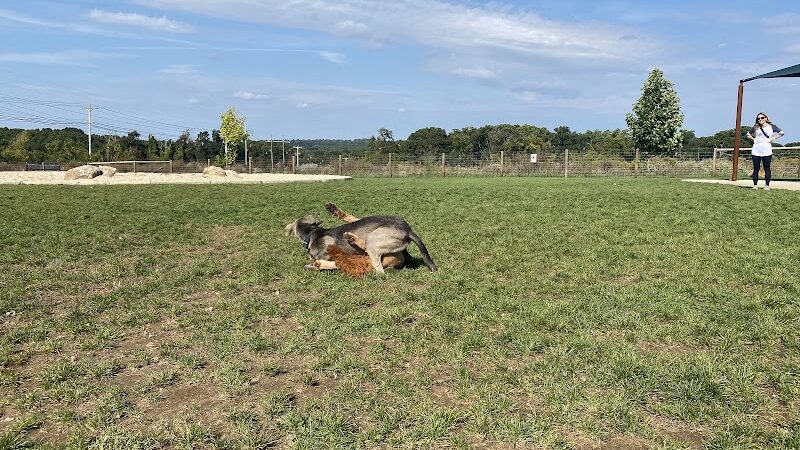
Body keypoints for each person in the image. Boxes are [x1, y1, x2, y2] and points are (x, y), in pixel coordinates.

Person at [746, 112, 784, 190]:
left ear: (766, 118)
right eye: (758, 118)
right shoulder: (756, 127)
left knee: (767, 168)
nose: (760, 119)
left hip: (766, 150)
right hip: (756, 150)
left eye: (762, 118)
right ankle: (755, 185)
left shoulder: (772, 126)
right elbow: (748, 134)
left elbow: (781, 133)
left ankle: (767, 186)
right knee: (756, 168)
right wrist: (754, 140)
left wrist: (772, 139)